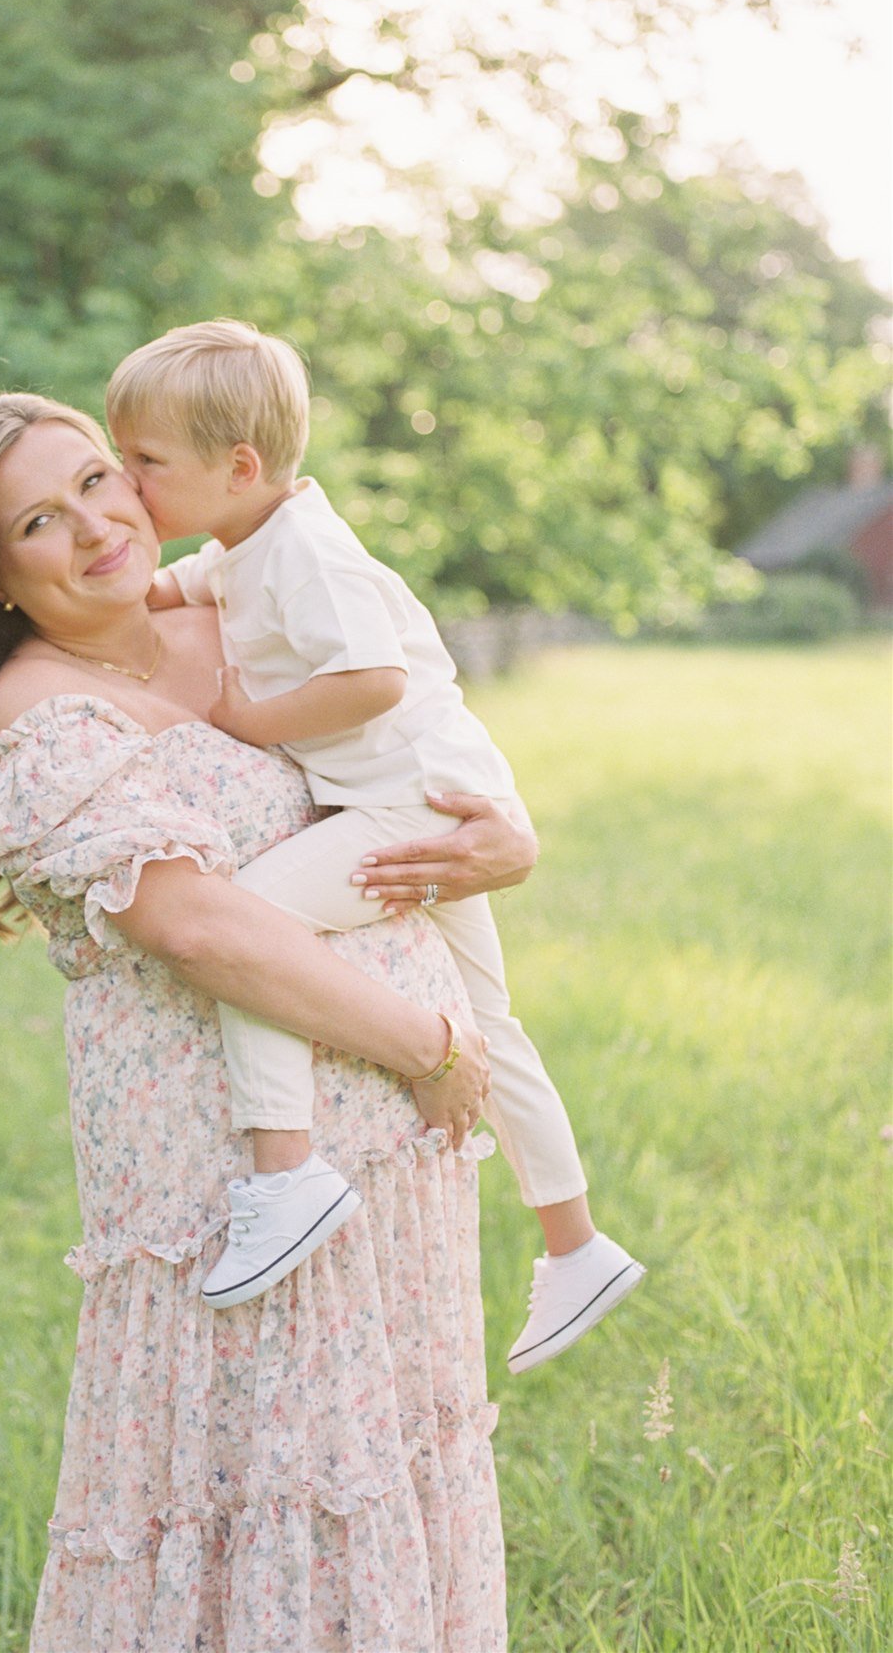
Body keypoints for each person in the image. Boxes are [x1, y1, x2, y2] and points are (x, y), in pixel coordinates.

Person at [0, 391, 528, 1651]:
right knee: (262, 1477)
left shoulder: (243, 607)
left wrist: (500, 836)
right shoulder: (39, 713)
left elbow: (404, 747)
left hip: (387, 1151)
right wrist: (430, 1045)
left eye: (99, 482)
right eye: (38, 521)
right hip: (229, 1170)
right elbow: (196, 929)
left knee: (377, 1453)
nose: (95, 526)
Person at [105, 320, 644, 1366]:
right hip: (433, 796)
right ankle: (574, 1242)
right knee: (492, 1019)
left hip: (414, 804)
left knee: (249, 921)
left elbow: (374, 679)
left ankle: (284, 1169)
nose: (128, 482)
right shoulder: (246, 541)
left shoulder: (310, 556)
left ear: (239, 466)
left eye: (143, 462)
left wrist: (244, 717)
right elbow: (174, 589)